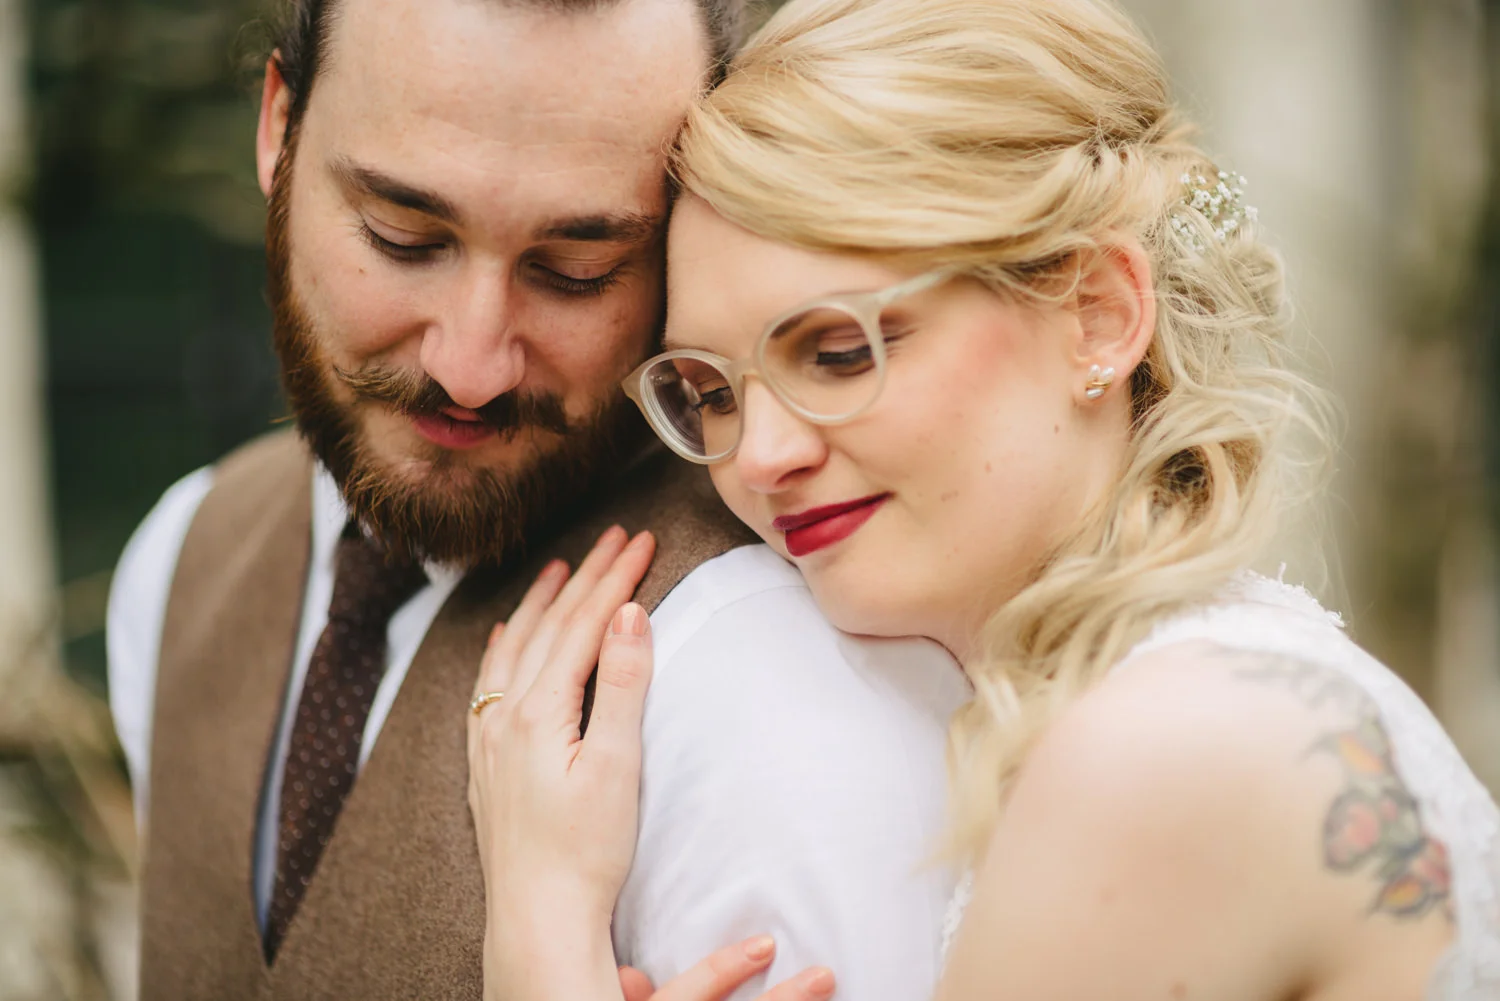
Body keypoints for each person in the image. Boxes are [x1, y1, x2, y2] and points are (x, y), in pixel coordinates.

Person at [465, 0, 1500, 998]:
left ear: (1097, 313)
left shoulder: (1158, 753)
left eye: (836, 351)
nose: (760, 457)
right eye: (714, 393)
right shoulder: (1179, 692)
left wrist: (544, 931)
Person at [105, 0, 971, 997]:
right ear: (278, 132)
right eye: (402, 237)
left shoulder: (762, 682)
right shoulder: (178, 559)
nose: (471, 365)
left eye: (574, 271)